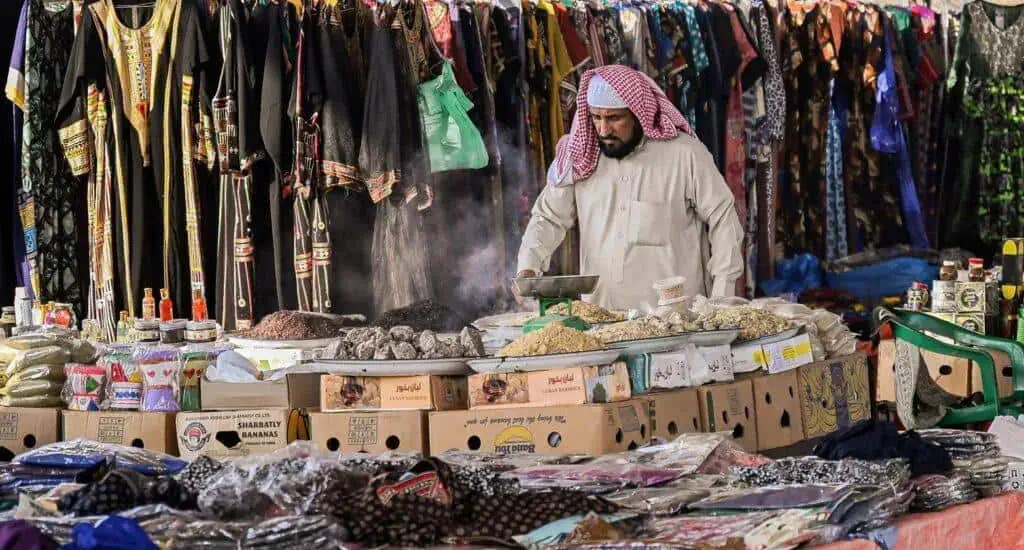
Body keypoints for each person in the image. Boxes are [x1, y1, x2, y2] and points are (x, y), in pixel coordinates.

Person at [515, 65, 744, 310]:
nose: (603, 130)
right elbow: (549, 217)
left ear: (637, 113)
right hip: (603, 322)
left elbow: (723, 218)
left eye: (614, 118)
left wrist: (722, 294)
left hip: (677, 325)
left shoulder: (684, 155)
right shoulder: (580, 156)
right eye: (596, 117)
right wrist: (528, 267)